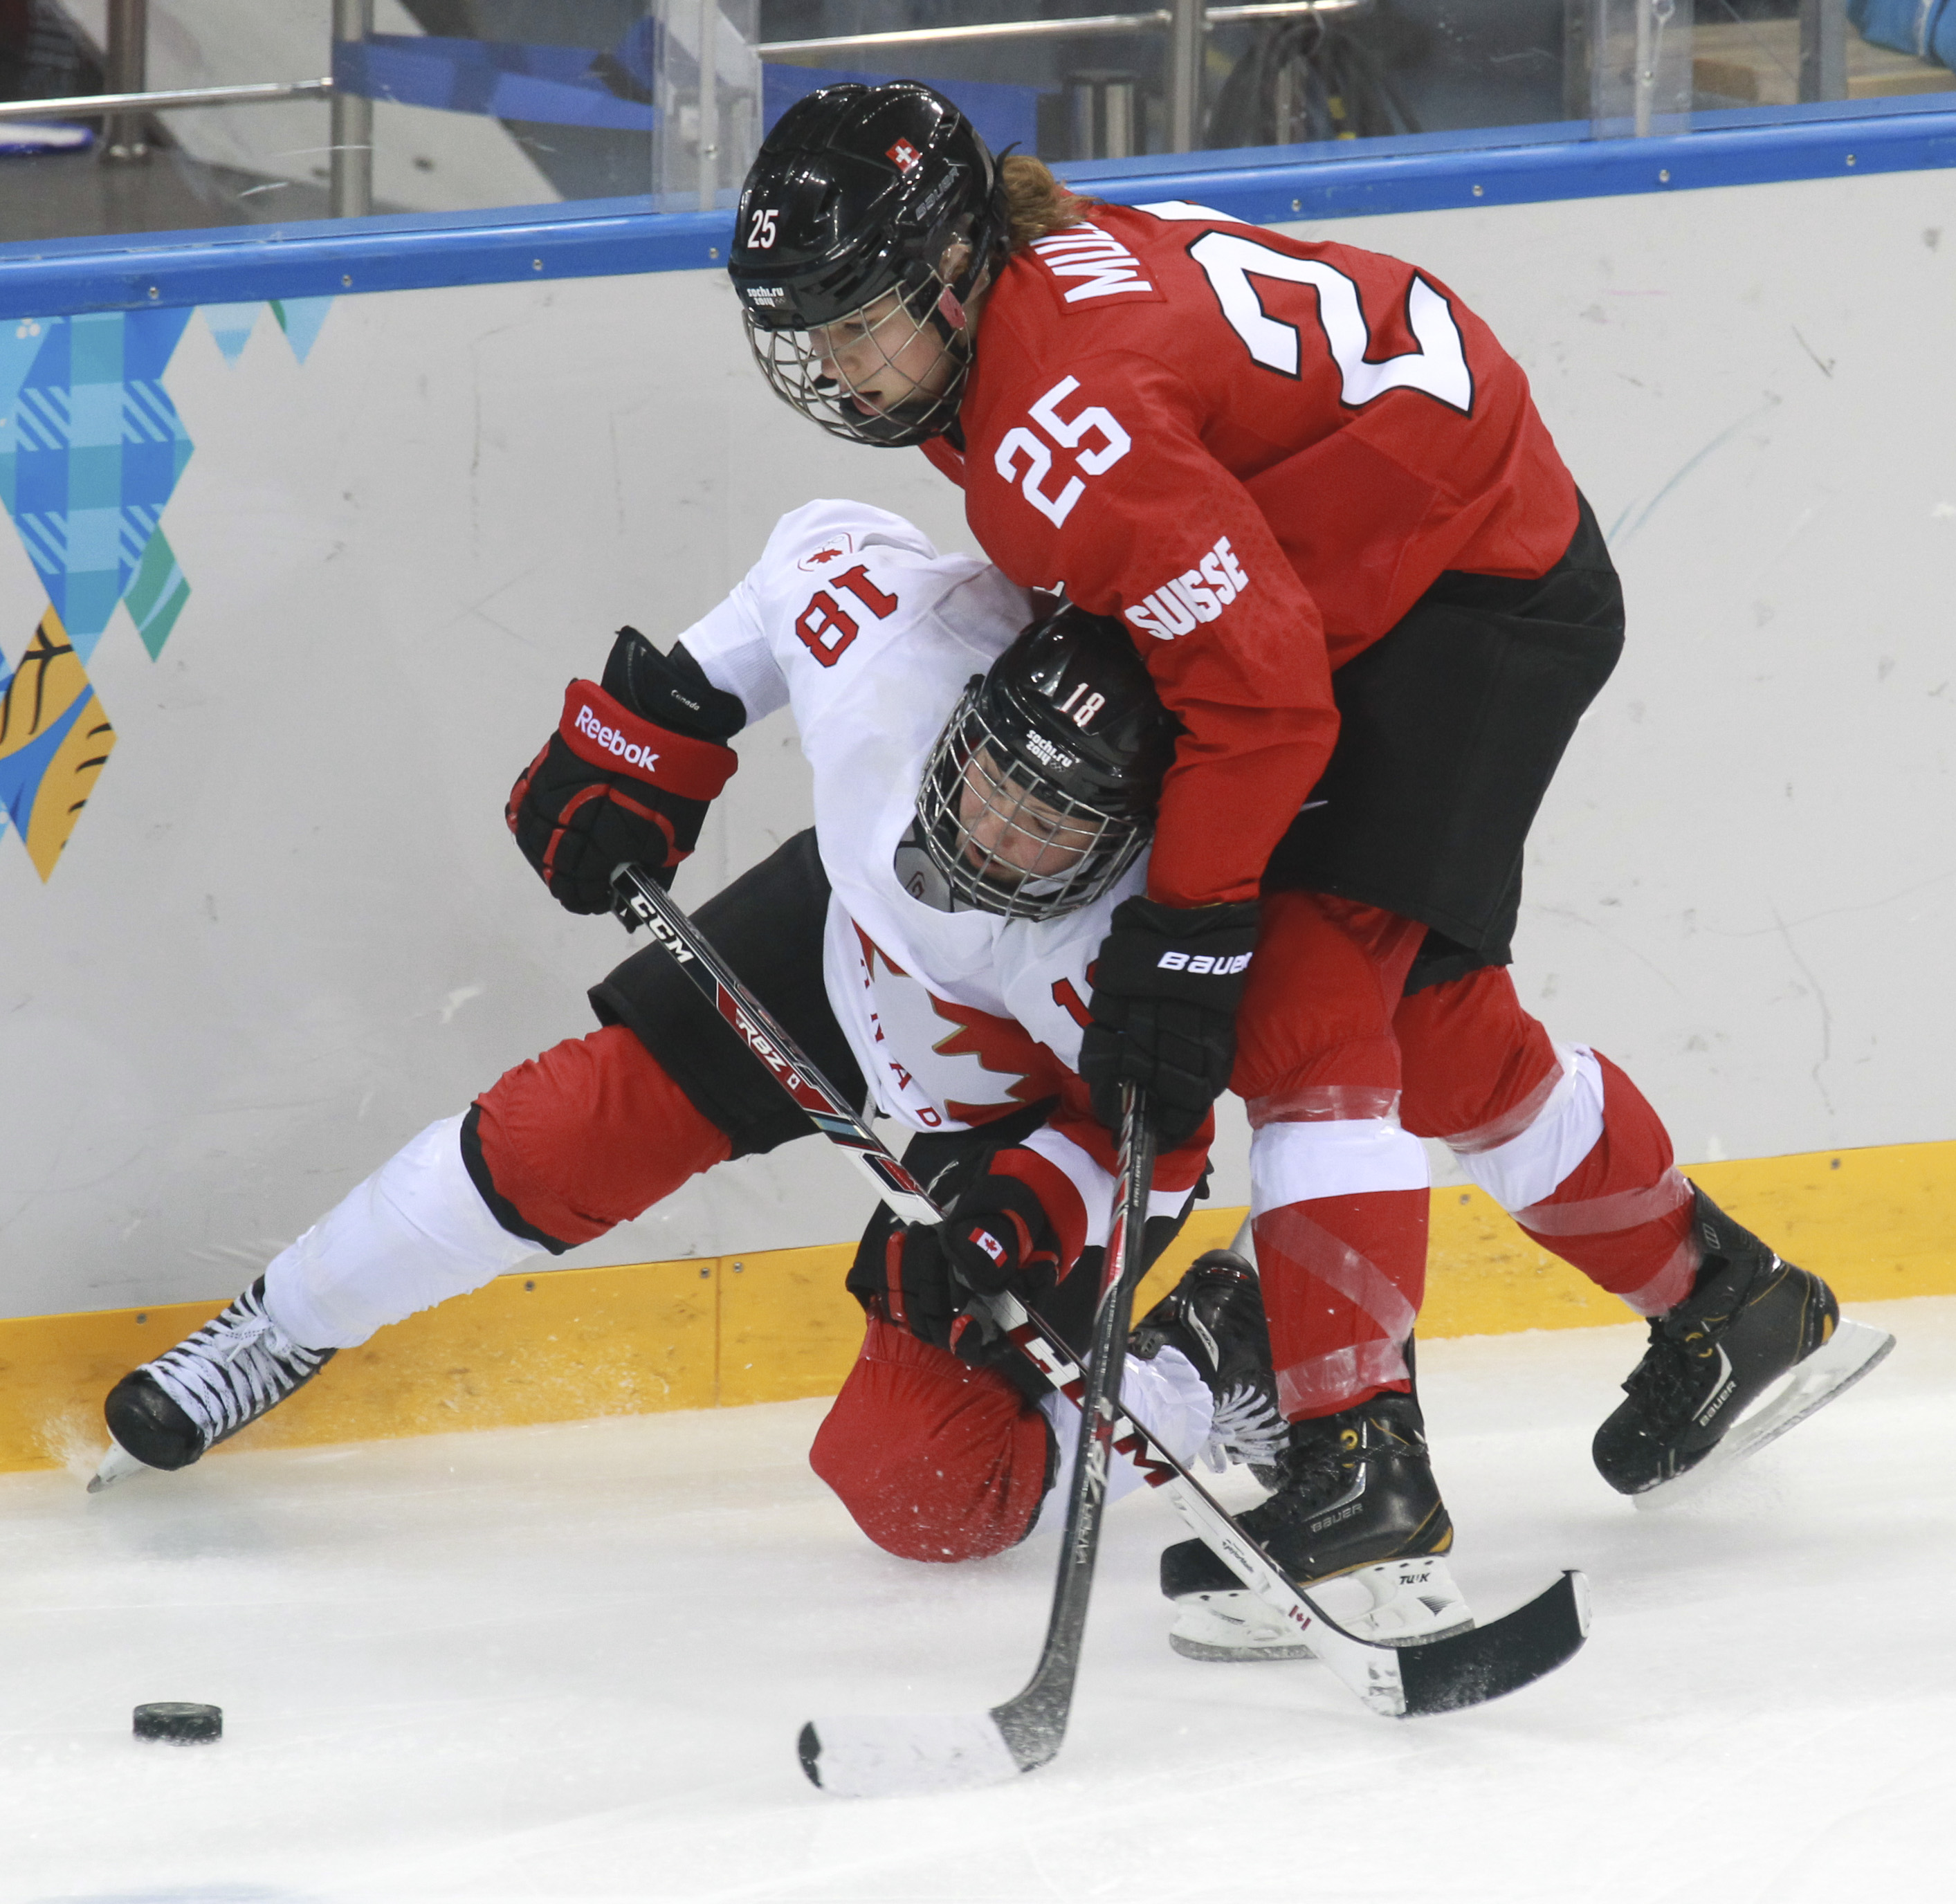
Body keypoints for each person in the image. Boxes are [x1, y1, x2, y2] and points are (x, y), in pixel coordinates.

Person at [726, 82, 1894, 1658]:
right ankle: (1725, 1306)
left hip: (1460, 583)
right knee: (1426, 1016)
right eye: (814, 327)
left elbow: (1265, 684)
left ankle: (1361, 1475)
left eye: (861, 317)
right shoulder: (1036, 305)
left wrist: (1191, 928)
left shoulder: (1052, 416)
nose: (838, 363)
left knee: (1298, 1005)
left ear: (948, 267)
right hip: (1413, 548)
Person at [93, 502, 1293, 1583]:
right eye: (989, 779)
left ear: (1119, 840)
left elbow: (1156, 1142)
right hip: (840, 933)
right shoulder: (905, 665)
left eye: (1048, 825)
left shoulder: (1129, 943)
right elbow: (803, 561)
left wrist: (1025, 1212)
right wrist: (656, 725)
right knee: (562, 1133)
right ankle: (275, 1328)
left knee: (920, 1490)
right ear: (969, 712)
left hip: (1004, 1116)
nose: (991, 830)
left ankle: (1206, 1365)